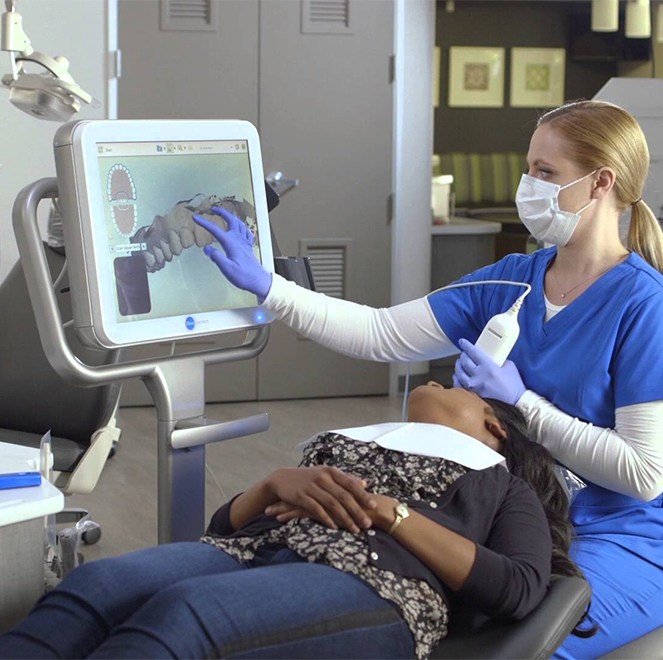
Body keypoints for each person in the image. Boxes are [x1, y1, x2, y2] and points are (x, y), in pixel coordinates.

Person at [192, 99, 663, 658]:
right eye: (527, 167)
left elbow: (644, 474)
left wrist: (522, 402)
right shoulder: (514, 280)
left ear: (600, 182)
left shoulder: (643, 305)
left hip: (617, 536)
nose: (528, 185)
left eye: (545, 172)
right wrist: (268, 286)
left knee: (519, 639)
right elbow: (381, 333)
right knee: (405, 607)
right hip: (517, 516)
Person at [0, 384, 576, 659]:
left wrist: (390, 513)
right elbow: (226, 529)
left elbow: (521, 589)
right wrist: (272, 484)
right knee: (96, 586)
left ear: (495, 427)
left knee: (185, 614)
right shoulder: (354, 440)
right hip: (256, 551)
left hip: (377, 582)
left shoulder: (501, 482)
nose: (436, 383)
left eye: (455, 387)